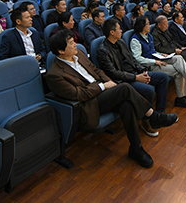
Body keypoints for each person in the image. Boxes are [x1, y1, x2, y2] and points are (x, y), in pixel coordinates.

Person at [47, 29, 178, 168]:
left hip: (104, 93)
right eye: (71, 43)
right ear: (61, 51)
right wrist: (103, 86)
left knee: (126, 104)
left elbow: (97, 70)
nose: (75, 45)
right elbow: (79, 94)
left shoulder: (78, 54)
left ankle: (136, 148)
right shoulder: (55, 75)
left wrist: (110, 84)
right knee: (125, 88)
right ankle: (153, 117)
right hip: (90, 105)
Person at [97, 19, 171, 136]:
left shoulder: (121, 42)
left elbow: (132, 60)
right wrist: (136, 77)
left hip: (136, 73)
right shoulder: (103, 50)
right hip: (125, 80)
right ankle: (146, 121)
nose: (121, 30)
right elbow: (114, 73)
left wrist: (142, 71)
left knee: (163, 77)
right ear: (111, 32)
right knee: (149, 90)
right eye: (119, 28)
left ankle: (159, 114)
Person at [130, 16, 186, 108]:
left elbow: (153, 51)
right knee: (179, 70)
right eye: (147, 24)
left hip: (158, 58)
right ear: (142, 26)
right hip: (150, 65)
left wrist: (162, 54)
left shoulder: (148, 36)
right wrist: (155, 61)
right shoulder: (135, 40)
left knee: (178, 58)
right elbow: (137, 58)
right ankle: (181, 98)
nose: (150, 26)